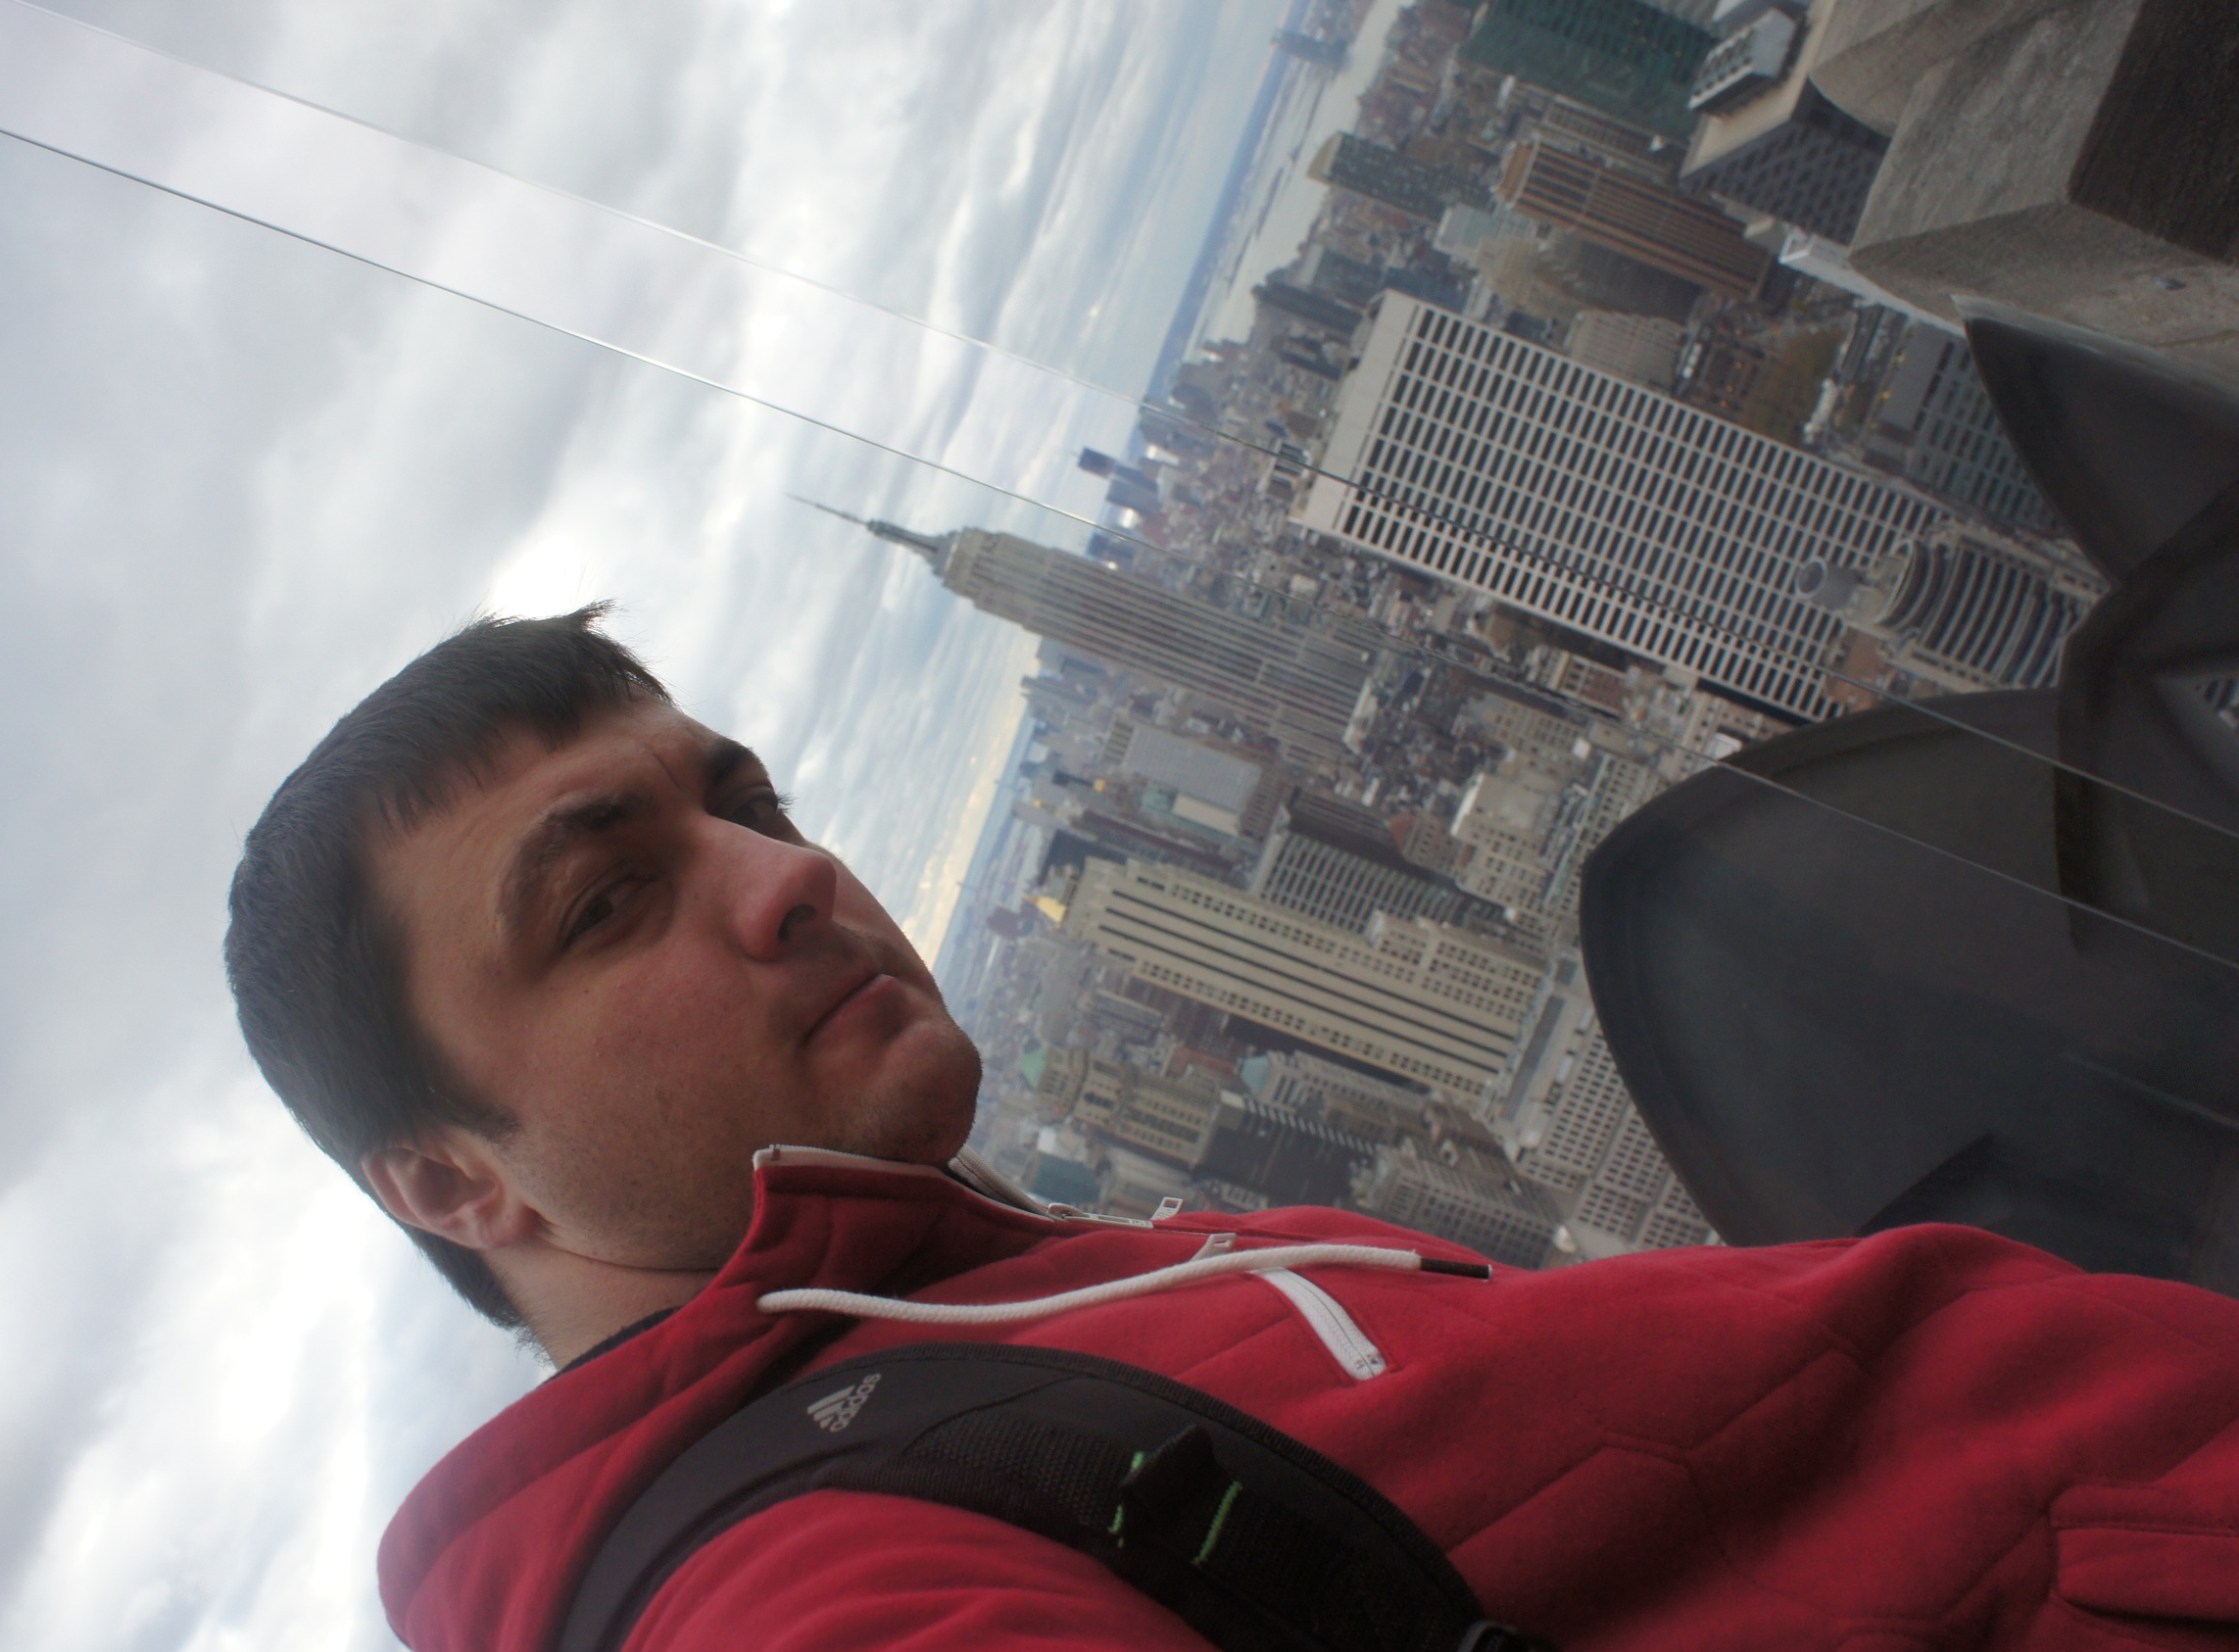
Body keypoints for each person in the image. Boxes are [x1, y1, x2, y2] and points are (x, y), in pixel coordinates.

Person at [227, 611, 2239, 1652]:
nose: (788, 875)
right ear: (453, 1181)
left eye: (742, 801)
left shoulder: (976, 1316)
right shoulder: (795, 1594)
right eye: (605, 902)